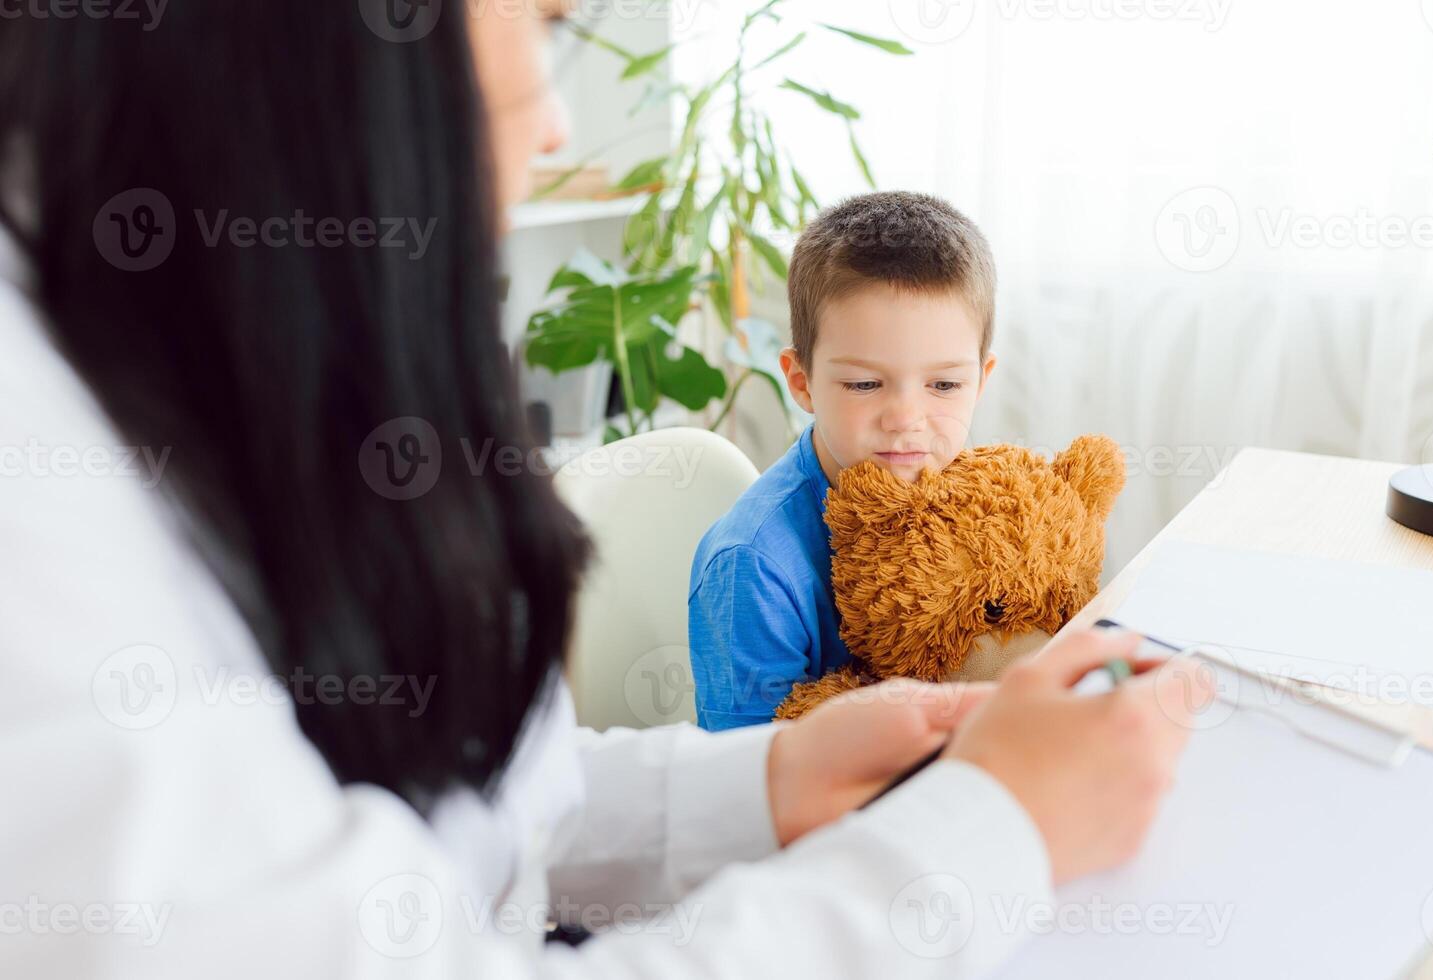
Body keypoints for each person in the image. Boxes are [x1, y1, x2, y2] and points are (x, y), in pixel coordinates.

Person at [0, 2, 1204, 976]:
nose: (549, 118)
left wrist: (764, 785)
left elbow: (448, 840)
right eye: (543, 19)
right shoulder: (37, 511)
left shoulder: (177, 342)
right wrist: (991, 832)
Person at [689, 191, 999, 730]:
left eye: (944, 384)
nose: (907, 419)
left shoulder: (973, 501)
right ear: (802, 382)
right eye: (864, 383)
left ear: (981, 381)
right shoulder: (753, 567)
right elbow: (749, 775)